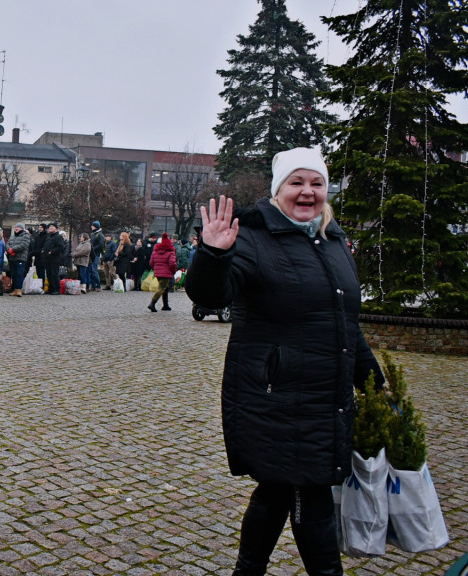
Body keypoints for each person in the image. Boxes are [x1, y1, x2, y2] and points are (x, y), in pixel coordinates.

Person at [186, 147, 383, 576]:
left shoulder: (332, 239)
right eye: (297, 182)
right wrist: (213, 253)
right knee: (310, 499)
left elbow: (345, 322)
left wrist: (373, 382)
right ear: (279, 190)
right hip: (278, 398)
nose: (307, 192)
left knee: (277, 492)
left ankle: (247, 571)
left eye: (316, 183)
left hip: (325, 395)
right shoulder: (255, 237)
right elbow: (210, 295)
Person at [147, 233, 177, 312]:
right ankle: (152, 303)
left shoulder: (155, 251)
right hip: (166, 273)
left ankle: (165, 305)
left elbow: (151, 262)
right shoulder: (170, 252)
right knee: (161, 288)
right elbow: (172, 263)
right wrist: (174, 271)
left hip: (157, 272)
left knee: (165, 288)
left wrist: (155, 269)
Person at [7, 222, 31, 297]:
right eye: (16, 227)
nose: (16, 228)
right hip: (12, 258)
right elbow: (7, 243)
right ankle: (15, 289)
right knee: (13, 274)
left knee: (19, 274)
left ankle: (19, 289)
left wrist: (13, 249)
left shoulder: (26, 236)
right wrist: (9, 249)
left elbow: (24, 245)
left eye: (18, 227)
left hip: (20, 258)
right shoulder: (12, 236)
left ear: (22, 228)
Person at [41, 223, 66, 294]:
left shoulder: (59, 237)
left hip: (55, 258)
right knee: (49, 274)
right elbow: (45, 245)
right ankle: (51, 288)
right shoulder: (48, 237)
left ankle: (56, 289)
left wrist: (51, 251)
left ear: (56, 228)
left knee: (54, 273)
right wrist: (43, 250)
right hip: (47, 259)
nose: (50, 227)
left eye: (52, 226)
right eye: (49, 226)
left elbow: (60, 247)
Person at [88, 221, 105, 292]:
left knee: (94, 270)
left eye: (92, 226)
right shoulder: (92, 234)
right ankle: (93, 285)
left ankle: (98, 286)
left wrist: (92, 248)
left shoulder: (100, 235)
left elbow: (100, 245)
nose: (91, 227)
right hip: (91, 254)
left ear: (95, 227)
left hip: (96, 255)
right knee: (91, 270)